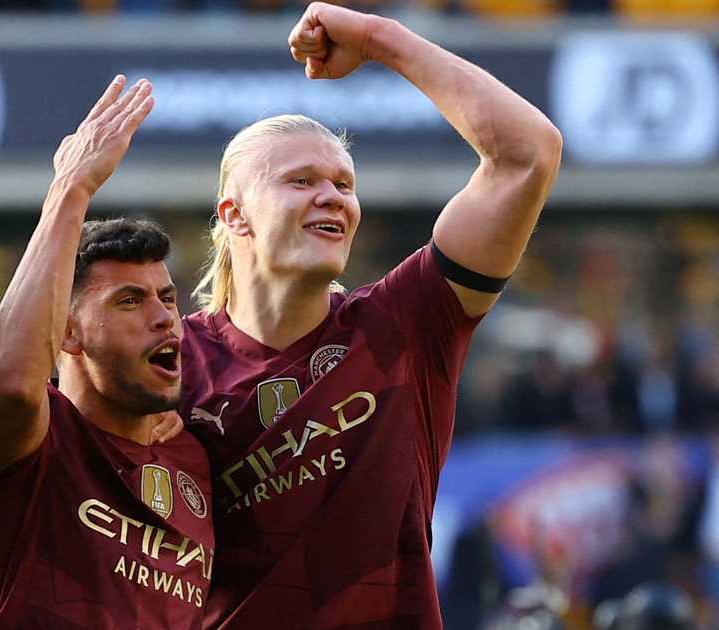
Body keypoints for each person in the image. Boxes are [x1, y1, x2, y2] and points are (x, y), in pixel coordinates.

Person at [180, 3, 563, 628]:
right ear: (234, 215)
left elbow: (528, 153)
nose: (332, 197)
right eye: (301, 181)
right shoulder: (168, 363)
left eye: (344, 184)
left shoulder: (402, 325)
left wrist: (380, 38)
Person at [0, 76, 214, 629]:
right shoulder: (33, 440)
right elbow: (15, 387)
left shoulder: (194, 454)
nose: (163, 316)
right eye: (129, 301)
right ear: (67, 333)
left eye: (166, 298)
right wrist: (71, 189)